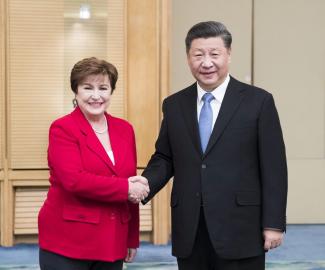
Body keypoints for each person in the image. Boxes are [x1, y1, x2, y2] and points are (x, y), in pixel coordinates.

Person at [142, 21, 287, 270]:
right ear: (188, 58)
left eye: (214, 54)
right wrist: (145, 184)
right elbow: (165, 157)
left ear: (228, 54)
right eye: (198, 55)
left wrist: (273, 223)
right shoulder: (175, 105)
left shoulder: (258, 101)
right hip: (191, 227)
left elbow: (274, 167)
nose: (206, 63)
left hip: (241, 226)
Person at [38, 57, 149, 270]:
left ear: (111, 91)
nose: (96, 96)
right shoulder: (62, 128)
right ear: (76, 91)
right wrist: (126, 187)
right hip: (69, 240)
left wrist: (131, 236)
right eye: (88, 87)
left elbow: (131, 184)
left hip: (113, 238)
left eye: (103, 88)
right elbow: (74, 180)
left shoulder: (125, 129)